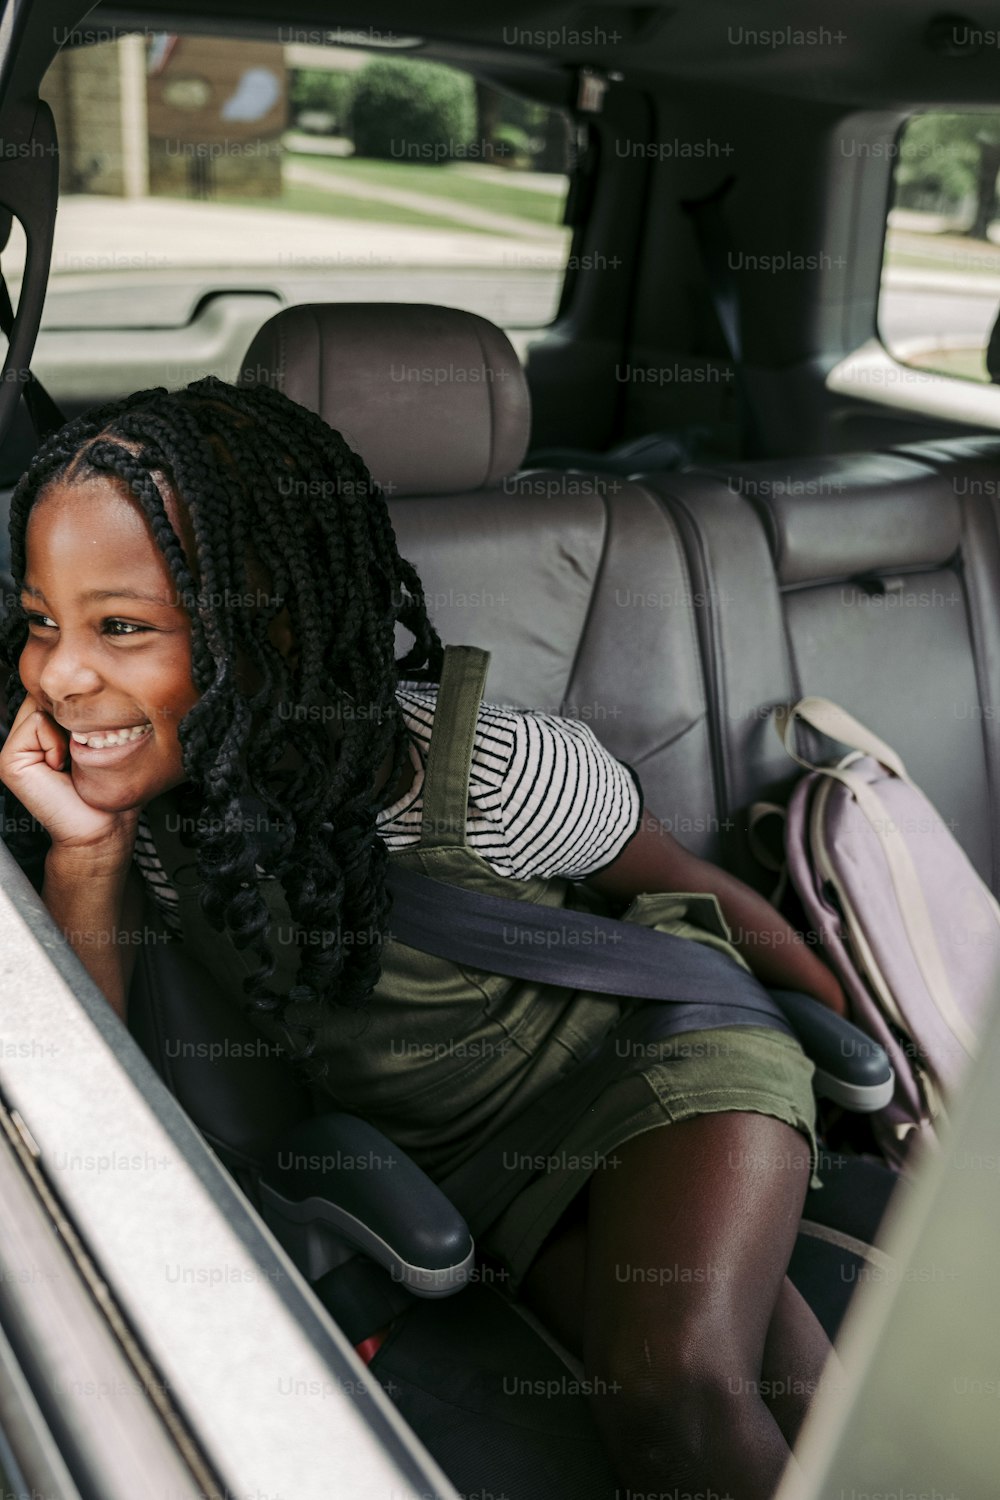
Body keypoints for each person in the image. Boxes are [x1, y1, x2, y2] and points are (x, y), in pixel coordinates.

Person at [0, 377, 847, 1500]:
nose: (58, 675)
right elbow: (92, 1096)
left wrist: (832, 1033)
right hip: (492, 1166)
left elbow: (688, 888)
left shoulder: (493, 771)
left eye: (121, 626)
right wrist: (88, 853)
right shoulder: (153, 825)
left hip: (661, 1065)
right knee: (760, 1383)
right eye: (41, 621)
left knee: (670, 1383)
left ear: (273, 626)